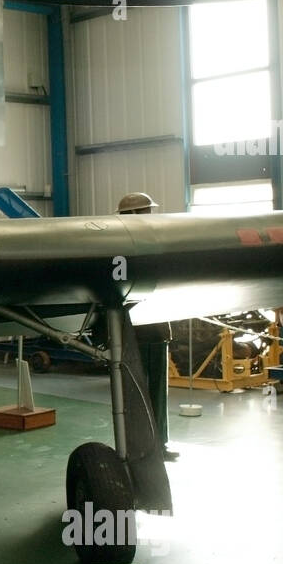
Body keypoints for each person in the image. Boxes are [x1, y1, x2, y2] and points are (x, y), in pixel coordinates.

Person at [116, 193, 177, 460]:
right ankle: (137, 447)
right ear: (132, 215)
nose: (149, 216)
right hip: (133, 333)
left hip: (156, 330)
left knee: (158, 395)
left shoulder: (155, 244)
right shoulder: (118, 249)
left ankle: (159, 445)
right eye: (144, 211)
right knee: (134, 395)